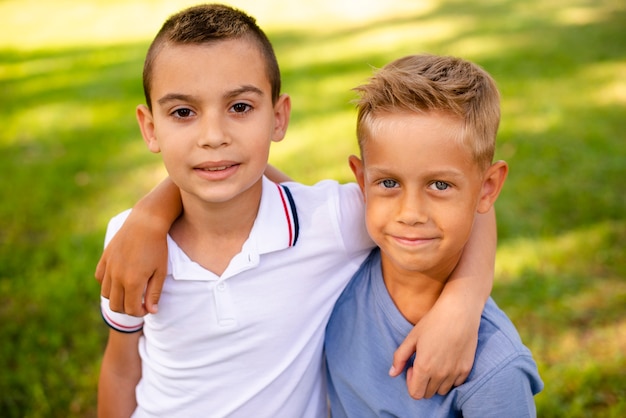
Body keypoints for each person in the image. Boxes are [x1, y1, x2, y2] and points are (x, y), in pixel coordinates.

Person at [97, 4, 498, 417]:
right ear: (150, 128)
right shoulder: (129, 244)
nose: (213, 136)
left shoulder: (329, 222)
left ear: (278, 117)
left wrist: (462, 305)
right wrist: (147, 218)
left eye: (239, 107)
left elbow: (467, 201)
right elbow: (122, 369)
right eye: (183, 112)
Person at [324, 53, 544, 417]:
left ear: (487, 188)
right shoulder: (335, 267)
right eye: (389, 182)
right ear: (361, 181)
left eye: (439, 185)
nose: (410, 214)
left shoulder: (495, 372)